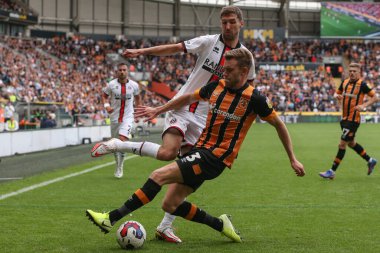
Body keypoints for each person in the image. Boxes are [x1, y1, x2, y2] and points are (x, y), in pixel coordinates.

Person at [87, 48, 305, 244]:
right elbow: (186, 98)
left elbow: (279, 125)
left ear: (244, 71)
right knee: (170, 204)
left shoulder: (255, 99)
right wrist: (158, 110)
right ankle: (221, 225)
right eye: (223, 69)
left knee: (157, 175)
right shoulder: (216, 86)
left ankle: (110, 218)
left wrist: (292, 158)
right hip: (201, 150)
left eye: (229, 70)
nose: (224, 74)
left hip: (216, 158)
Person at [94, 5, 255, 243]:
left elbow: (247, 90)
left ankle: (165, 227)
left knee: (190, 177)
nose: (228, 27)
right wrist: (142, 52)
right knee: (168, 153)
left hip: (204, 119)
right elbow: (175, 48)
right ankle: (119, 144)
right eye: (224, 22)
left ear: (241, 23)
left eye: (232, 22)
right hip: (181, 106)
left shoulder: (246, 58)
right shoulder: (209, 42)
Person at [319, 63, 378, 179]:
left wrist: (363, 106)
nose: (352, 73)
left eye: (354, 71)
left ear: (359, 72)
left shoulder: (362, 85)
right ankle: (370, 160)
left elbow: (375, 97)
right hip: (344, 119)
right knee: (351, 143)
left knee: (342, 144)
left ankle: (332, 171)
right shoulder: (345, 82)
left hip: (353, 120)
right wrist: (337, 97)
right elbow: (337, 93)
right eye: (350, 70)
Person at [100, 62, 140, 178]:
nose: (122, 72)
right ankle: (117, 163)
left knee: (122, 140)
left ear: (127, 72)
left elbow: (138, 98)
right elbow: (104, 96)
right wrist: (106, 106)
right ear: (117, 72)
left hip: (128, 117)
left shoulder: (134, 85)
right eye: (120, 70)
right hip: (114, 118)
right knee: (114, 144)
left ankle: (120, 166)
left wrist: (138, 111)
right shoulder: (111, 85)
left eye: (124, 70)